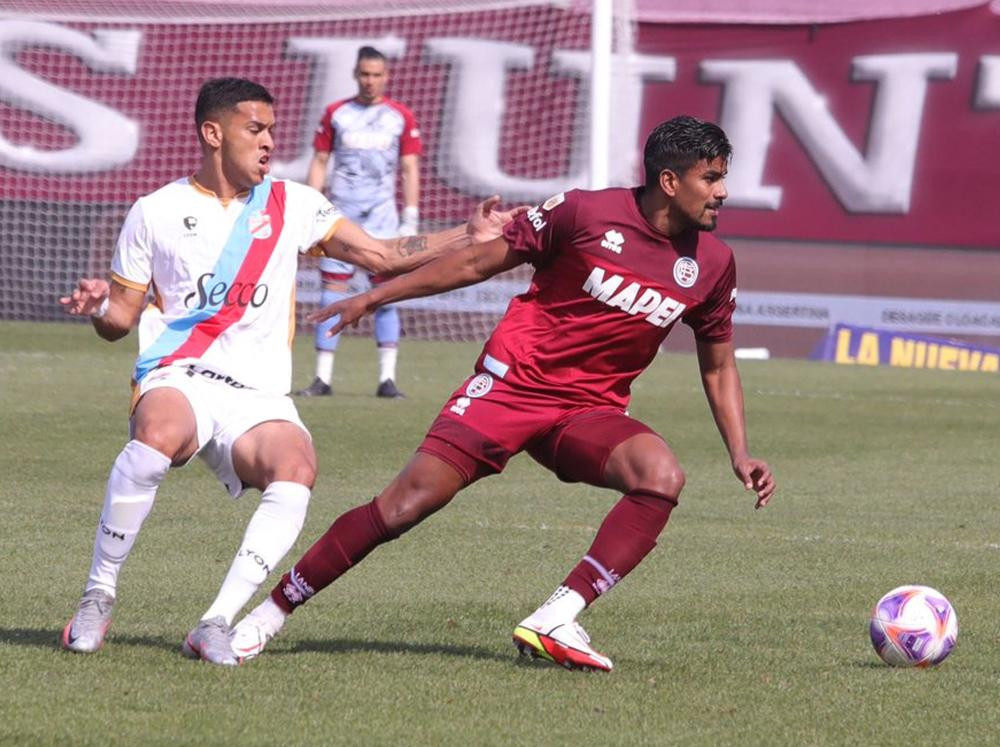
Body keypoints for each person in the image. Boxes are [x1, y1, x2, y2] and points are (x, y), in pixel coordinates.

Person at [232, 115, 776, 672]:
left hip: (587, 412)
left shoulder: (712, 264)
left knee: (660, 477)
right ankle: (267, 616)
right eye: (710, 178)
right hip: (509, 388)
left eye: (722, 178)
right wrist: (374, 298)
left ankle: (556, 617)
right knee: (402, 507)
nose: (723, 192)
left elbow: (718, 365)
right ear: (669, 181)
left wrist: (739, 452)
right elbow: (474, 260)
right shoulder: (583, 212)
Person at [57, 77, 520, 666]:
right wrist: (99, 305)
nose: (269, 141)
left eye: (273, 130)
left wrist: (468, 234)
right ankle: (98, 595)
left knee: (296, 467)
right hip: (178, 372)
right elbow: (120, 320)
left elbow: (379, 254)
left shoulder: (293, 204)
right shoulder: (156, 211)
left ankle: (215, 622)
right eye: (256, 129)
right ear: (213, 134)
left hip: (256, 391)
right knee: (156, 439)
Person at [296, 45, 422, 399]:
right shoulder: (337, 113)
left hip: (383, 219)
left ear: (386, 76)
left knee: (386, 295)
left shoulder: (401, 117)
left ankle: (387, 380)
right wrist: (310, 208)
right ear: (356, 74)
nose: (370, 80)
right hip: (341, 219)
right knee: (330, 293)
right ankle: (322, 378)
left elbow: (410, 168)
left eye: (377, 74)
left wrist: (410, 218)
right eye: (365, 74)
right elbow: (320, 161)